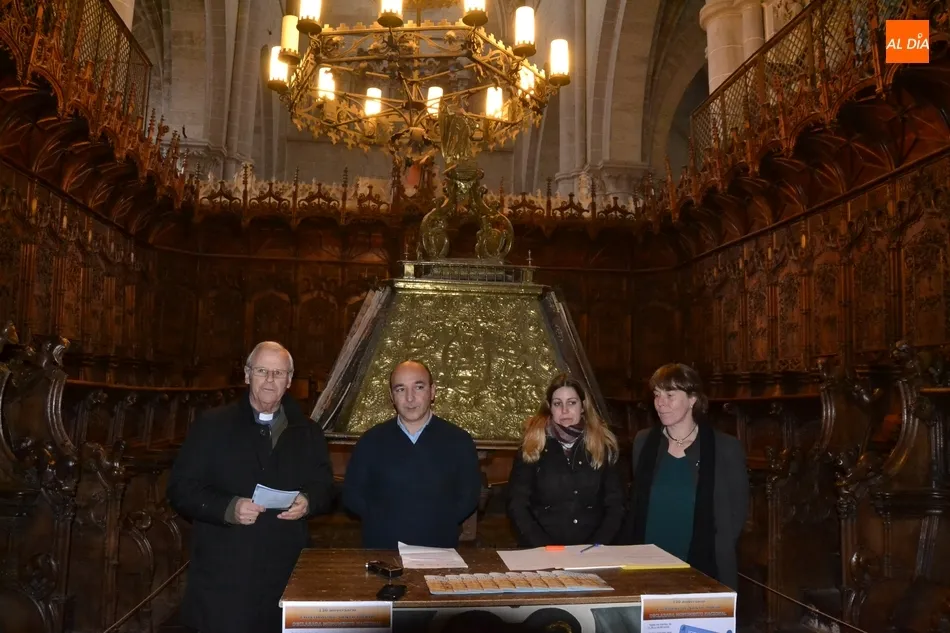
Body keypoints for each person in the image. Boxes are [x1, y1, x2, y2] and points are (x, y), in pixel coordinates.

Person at [167, 341, 334, 633]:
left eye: (278, 373)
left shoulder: (308, 431)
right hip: (226, 575)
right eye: (262, 371)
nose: (270, 380)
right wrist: (229, 507)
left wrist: (309, 501)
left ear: (289, 380)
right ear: (247, 375)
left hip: (285, 572)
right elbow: (180, 488)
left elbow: (325, 486)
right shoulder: (213, 425)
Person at [620, 363, 749, 590]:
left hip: (703, 565)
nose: (660, 403)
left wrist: (713, 549)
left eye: (670, 395)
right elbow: (637, 506)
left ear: (692, 399)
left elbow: (736, 514)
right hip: (648, 563)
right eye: (657, 395)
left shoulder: (724, 447)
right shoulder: (643, 442)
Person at [342, 360, 482, 549]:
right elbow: (352, 494)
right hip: (382, 549)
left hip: (438, 549)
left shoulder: (459, 441)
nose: (410, 398)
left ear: (432, 391)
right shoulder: (370, 441)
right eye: (400, 389)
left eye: (418, 387)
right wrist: (384, 522)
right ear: (392, 396)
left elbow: (469, 496)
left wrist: (436, 523)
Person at [506, 373, 624, 547]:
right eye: (557, 403)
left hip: (592, 549)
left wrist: (596, 546)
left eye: (571, 402)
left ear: (583, 406)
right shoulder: (532, 444)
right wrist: (544, 547)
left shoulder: (603, 444)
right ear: (550, 407)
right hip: (540, 547)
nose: (564, 410)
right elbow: (517, 504)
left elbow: (616, 505)